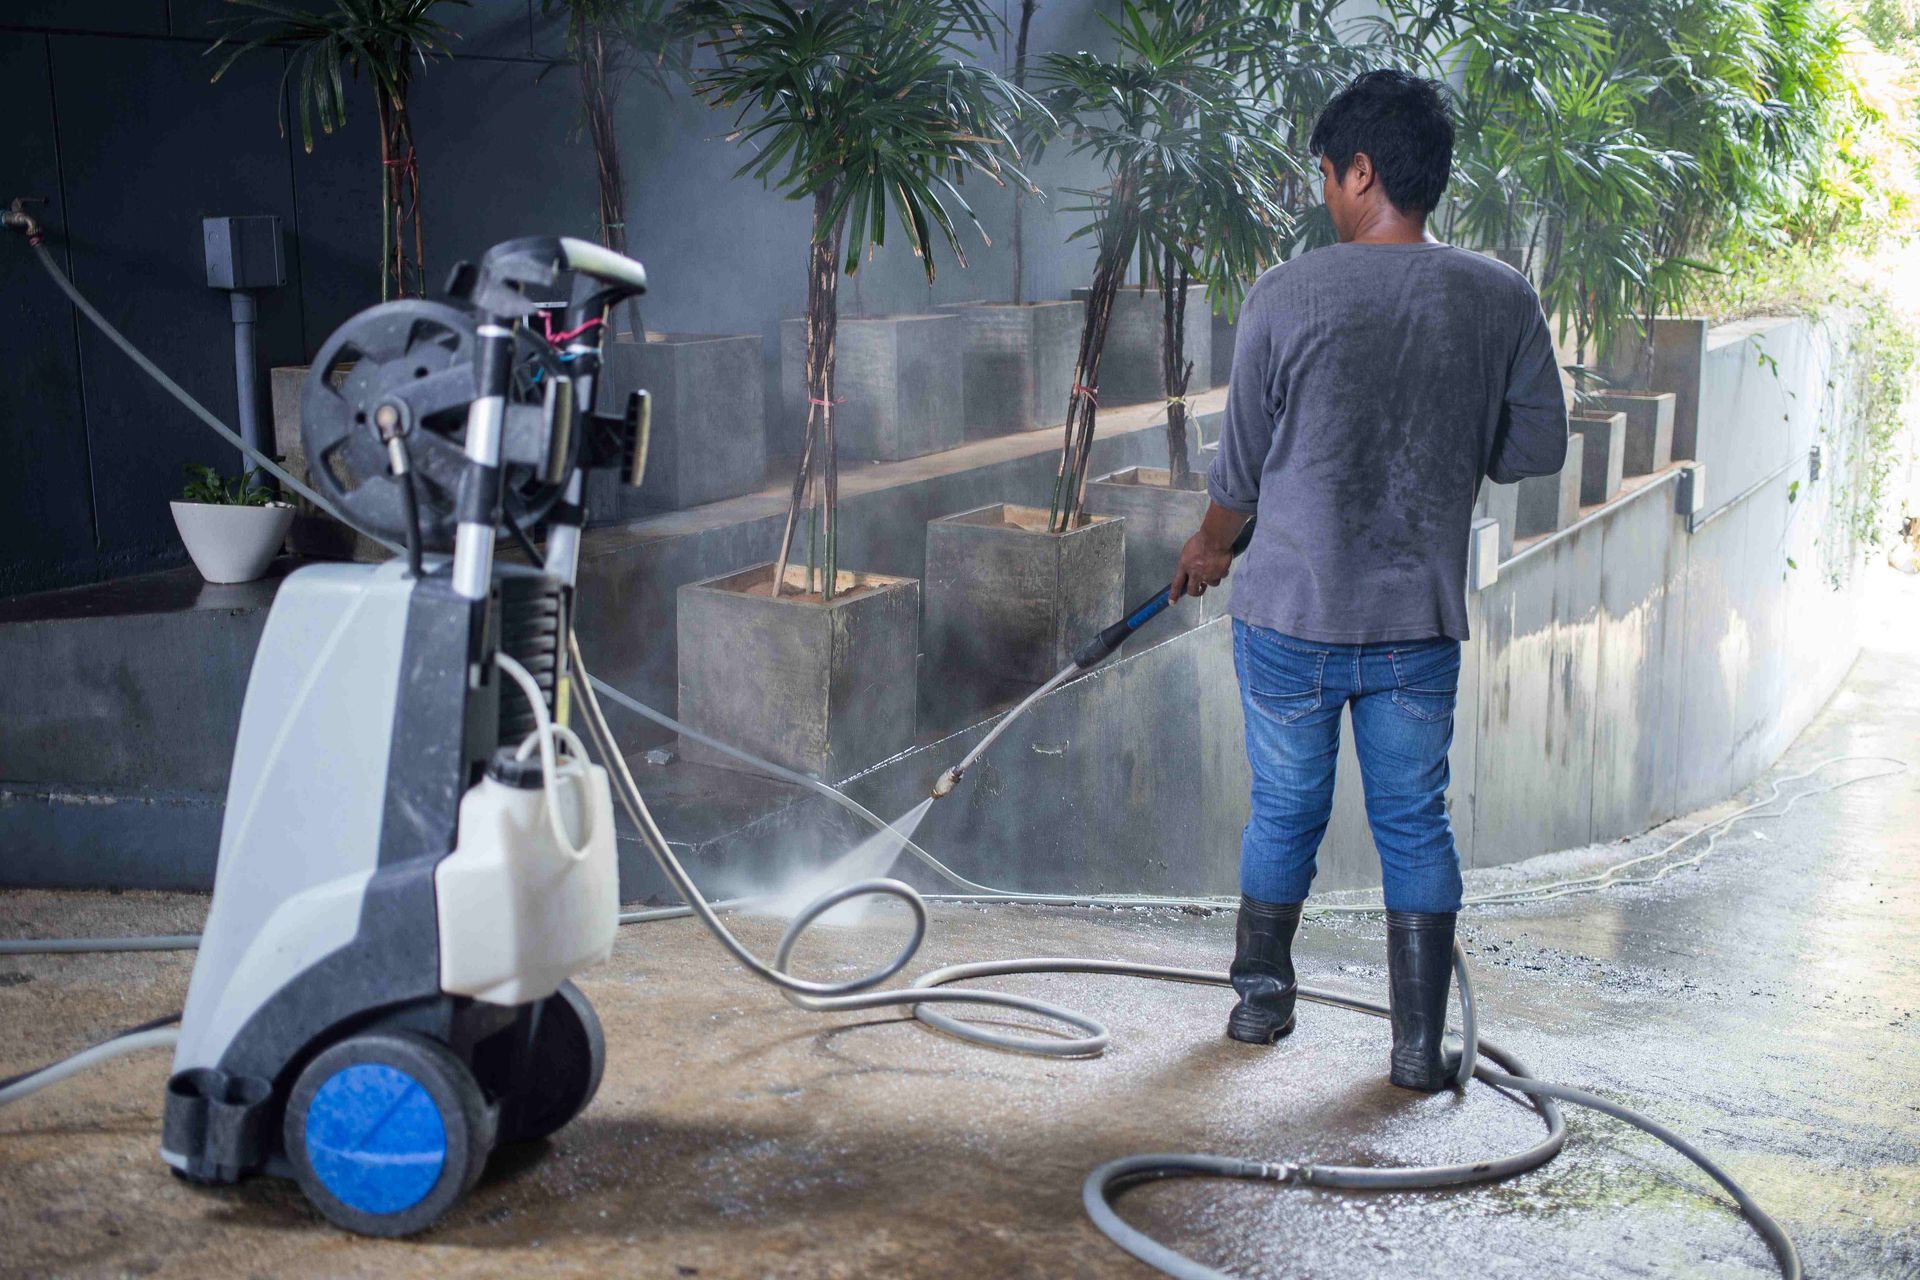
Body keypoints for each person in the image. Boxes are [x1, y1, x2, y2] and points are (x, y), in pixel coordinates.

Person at [1169, 69, 1569, 1089]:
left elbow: (1240, 474)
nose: (1325, 197)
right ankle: (1414, 1048)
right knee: (1413, 822)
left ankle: (1261, 1007)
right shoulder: (1502, 298)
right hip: (1414, 621)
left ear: (1363, 170)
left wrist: (1209, 548)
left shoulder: (1288, 292)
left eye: (1329, 177)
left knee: (1285, 812)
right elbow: (1534, 453)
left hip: (1291, 615)